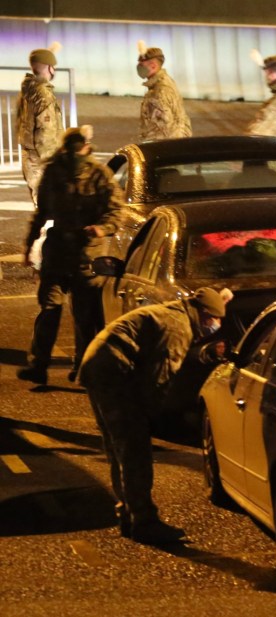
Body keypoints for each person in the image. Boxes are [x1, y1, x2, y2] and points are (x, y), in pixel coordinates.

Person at [78, 287, 231, 544]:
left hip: (100, 367)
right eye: (216, 319)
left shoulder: (174, 314)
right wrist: (150, 418)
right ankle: (144, 522)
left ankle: (129, 514)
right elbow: (160, 378)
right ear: (205, 315)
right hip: (114, 373)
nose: (216, 325)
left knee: (119, 449)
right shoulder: (178, 327)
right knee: (134, 449)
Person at [17, 126, 125, 387]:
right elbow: (41, 212)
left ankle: (83, 367)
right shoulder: (54, 173)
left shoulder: (99, 175)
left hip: (86, 254)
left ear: (87, 149)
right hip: (58, 253)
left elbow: (116, 211)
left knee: (85, 316)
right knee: (50, 308)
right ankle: (39, 365)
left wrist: (102, 228)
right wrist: (29, 246)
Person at [17, 44, 64, 206]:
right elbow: (46, 132)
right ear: (49, 68)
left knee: (41, 205)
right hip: (41, 160)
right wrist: (54, 163)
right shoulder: (43, 94)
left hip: (30, 158)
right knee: (49, 207)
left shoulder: (28, 89)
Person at [136, 42, 193, 142]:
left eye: (141, 65)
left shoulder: (159, 91)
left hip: (168, 144)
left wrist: (149, 147)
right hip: (176, 141)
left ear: (153, 66)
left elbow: (162, 128)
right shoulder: (164, 82)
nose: (138, 67)